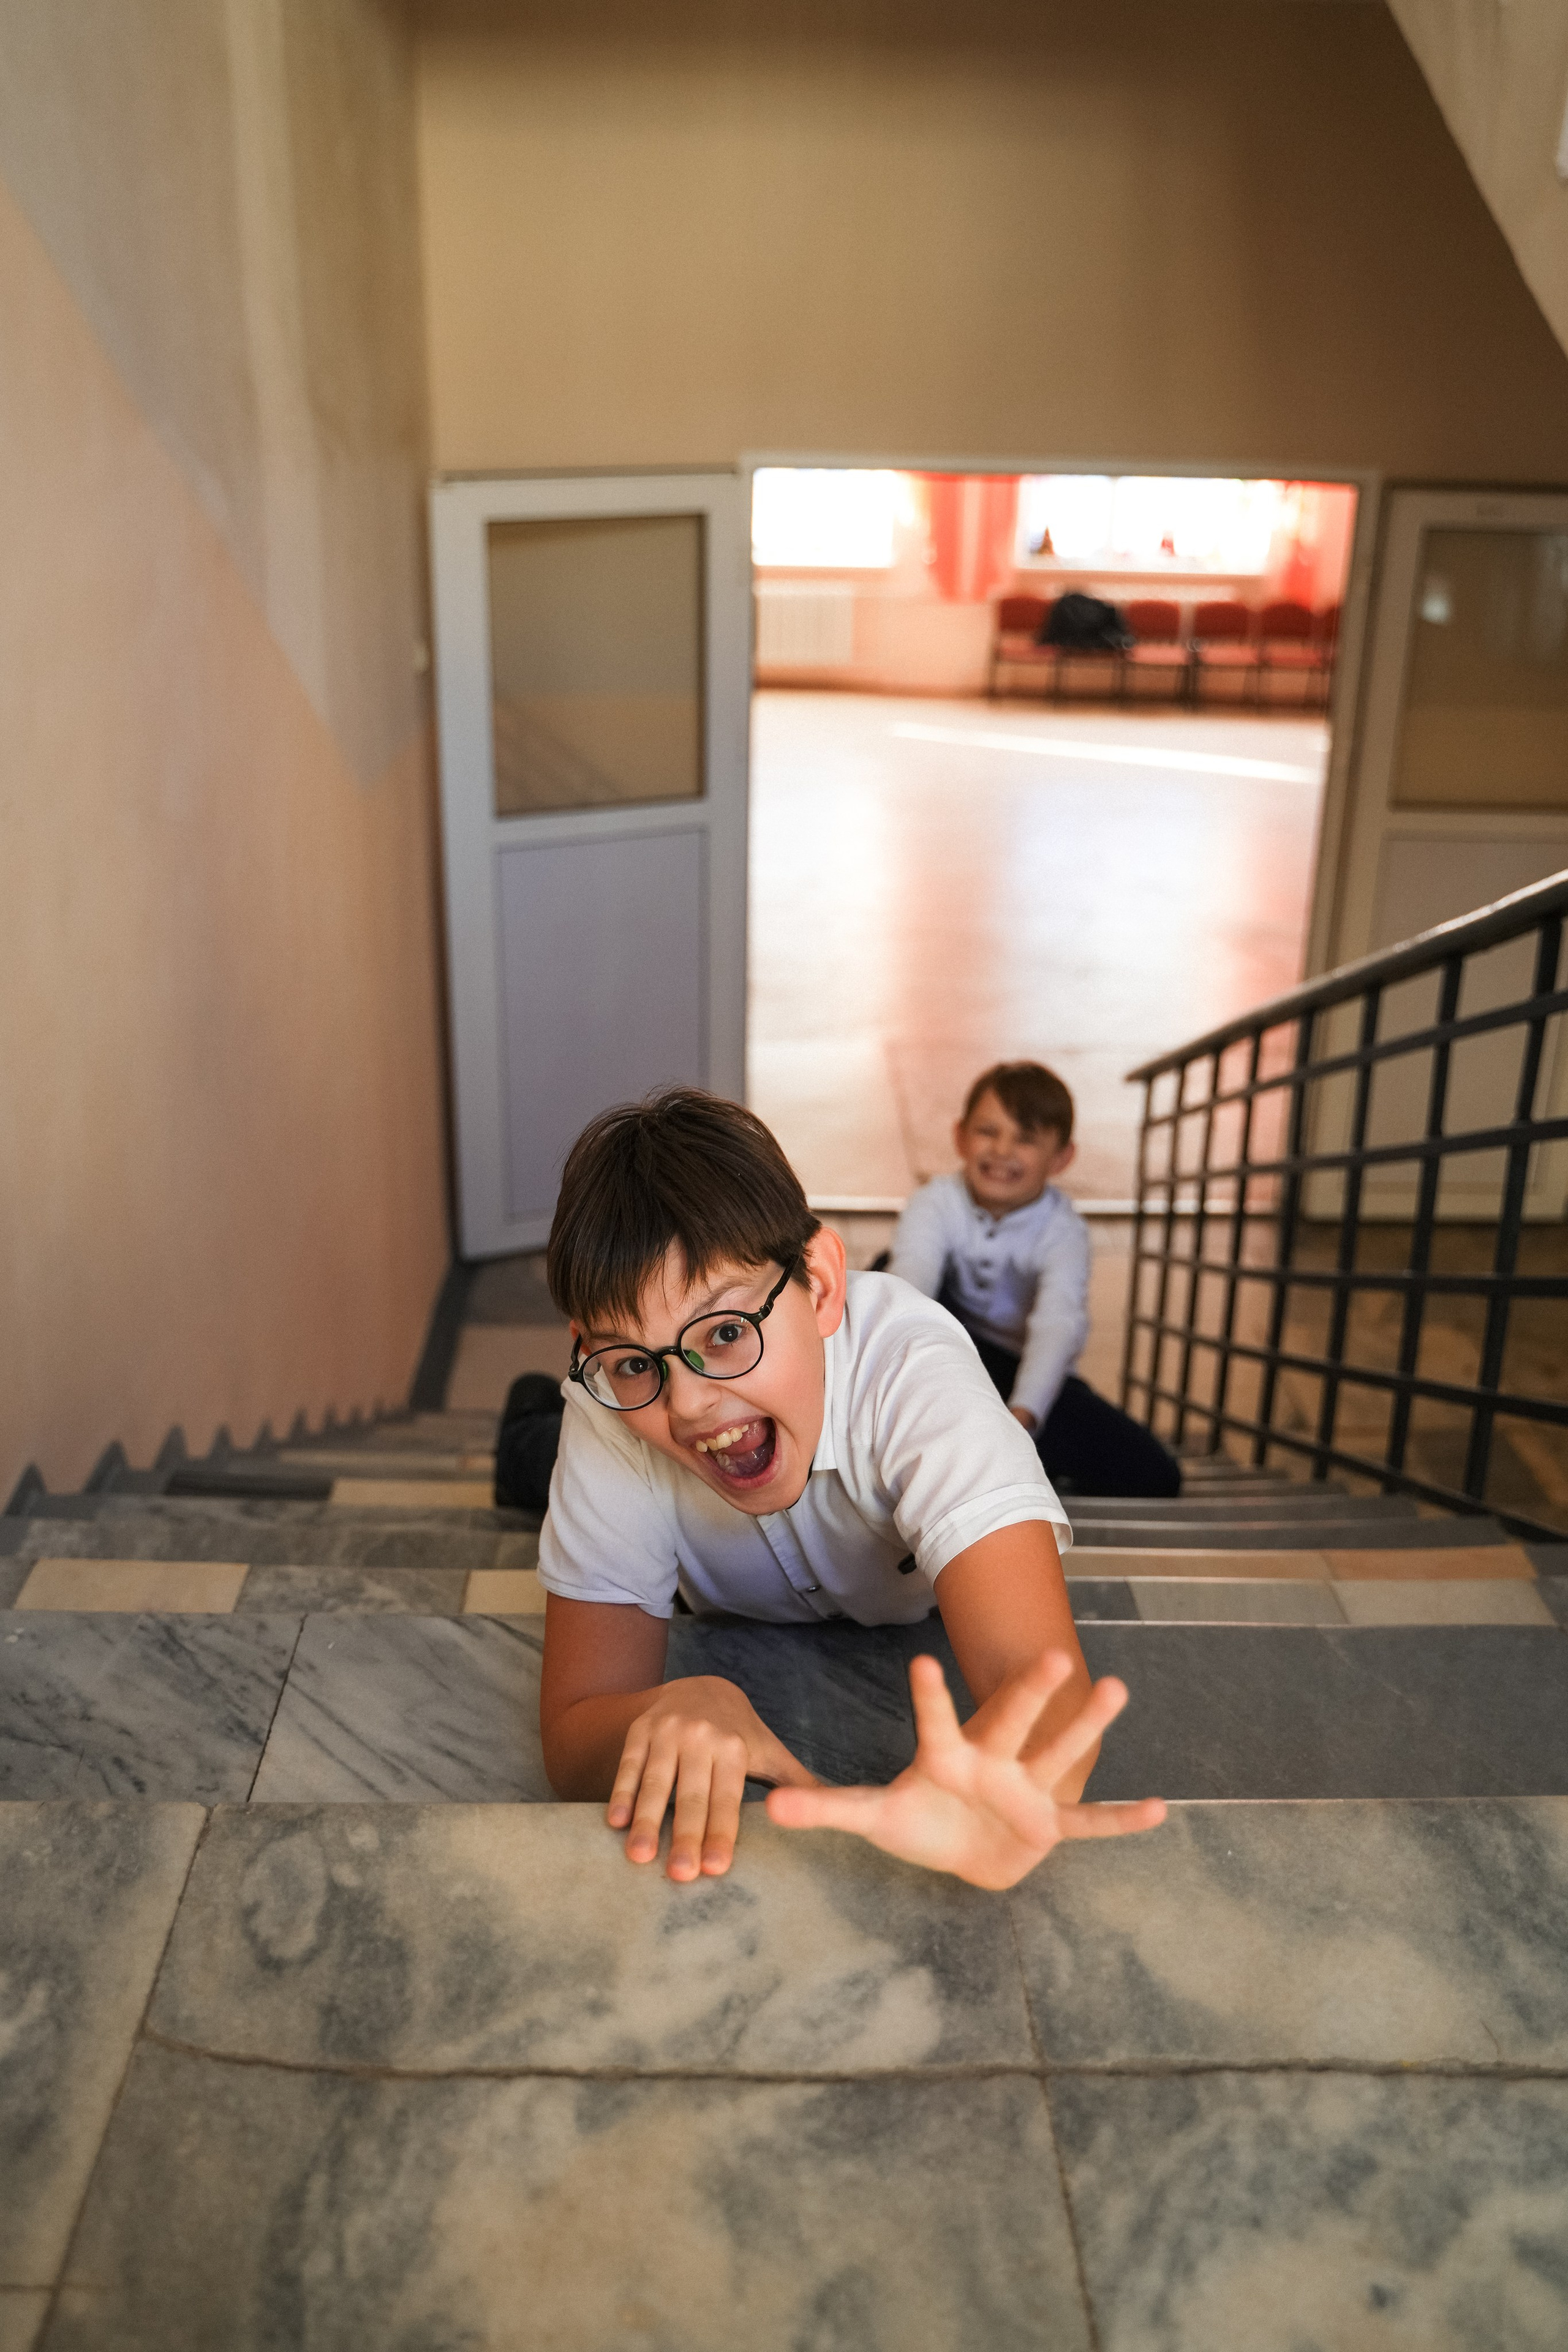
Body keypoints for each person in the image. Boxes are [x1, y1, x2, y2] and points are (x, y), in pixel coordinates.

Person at [507, 1087, 1163, 1890]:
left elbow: (1041, 1688)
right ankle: (533, 1413)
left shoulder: (918, 1374)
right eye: (635, 1363)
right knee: (533, 1458)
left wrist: (1008, 1793)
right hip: (595, 1458)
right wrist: (667, 1707)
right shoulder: (612, 1412)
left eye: (723, 1332)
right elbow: (573, 1733)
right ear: (591, 1351)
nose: (687, 1404)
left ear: (819, 1284)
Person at [888, 1061, 1180, 1500]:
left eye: (1026, 1139)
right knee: (889, 1280)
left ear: (1061, 1158)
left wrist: (1022, 1418)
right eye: (988, 1131)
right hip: (949, 1349)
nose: (1002, 1150)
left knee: (1154, 1474)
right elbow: (914, 1278)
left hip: (1021, 1371)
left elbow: (1056, 1327)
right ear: (960, 1136)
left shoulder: (1063, 1232)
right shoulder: (935, 1203)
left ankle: (1024, 1475)